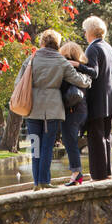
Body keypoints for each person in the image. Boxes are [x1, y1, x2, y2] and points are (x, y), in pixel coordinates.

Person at [16, 29, 91, 189]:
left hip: (32, 108)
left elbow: (18, 83)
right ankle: (44, 180)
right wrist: (88, 79)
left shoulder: (31, 59)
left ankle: (37, 182)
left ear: (42, 42)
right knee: (47, 146)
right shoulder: (60, 61)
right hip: (53, 108)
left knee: (35, 146)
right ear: (57, 44)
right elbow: (79, 80)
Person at [82, 16, 112, 181]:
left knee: (96, 137)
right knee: (106, 135)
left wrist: (78, 65)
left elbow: (94, 72)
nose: (84, 34)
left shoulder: (92, 49)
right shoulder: (108, 47)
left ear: (90, 31)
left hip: (98, 98)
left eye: (85, 31)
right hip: (111, 96)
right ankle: (108, 171)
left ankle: (98, 175)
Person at [58, 41, 97, 185]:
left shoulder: (66, 70)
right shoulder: (83, 70)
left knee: (70, 142)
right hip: (82, 110)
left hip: (71, 110)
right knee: (71, 141)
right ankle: (77, 172)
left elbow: (61, 88)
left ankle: (76, 173)